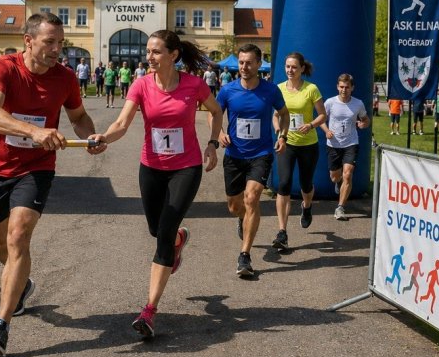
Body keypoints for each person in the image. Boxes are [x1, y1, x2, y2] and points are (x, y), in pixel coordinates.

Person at [0, 12, 105, 357]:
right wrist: (33, 130)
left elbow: (78, 117)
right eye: (50, 42)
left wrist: (90, 136)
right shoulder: (2, 68)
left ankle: (0, 326)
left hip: (36, 168)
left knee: (19, 235)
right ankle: (21, 284)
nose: (57, 49)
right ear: (28, 41)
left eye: (60, 43)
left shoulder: (65, 77)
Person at [91, 30, 222, 338]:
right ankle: (178, 240)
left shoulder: (194, 85)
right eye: (148, 51)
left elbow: (216, 111)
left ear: (173, 55)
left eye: (156, 51)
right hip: (151, 167)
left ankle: (149, 310)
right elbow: (122, 123)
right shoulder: (141, 84)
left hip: (186, 167)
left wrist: (212, 143)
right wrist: (104, 137)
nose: (149, 57)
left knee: (163, 234)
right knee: (155, 228)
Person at [215, 43, 289, 277]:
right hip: (234, 155)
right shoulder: (227, 90)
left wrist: (283, 136)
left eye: (249, 63)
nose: (244, 67)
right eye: (241, 62)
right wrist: (219, 134)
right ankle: (242, 218)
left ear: (259, 63)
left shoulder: (271, 91)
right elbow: (214, 115)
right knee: (235, 206)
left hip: (261, 154)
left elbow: (284, 114)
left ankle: (244, 255)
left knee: (252, 197)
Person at [272, 52, 326, 249]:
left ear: (302, 68)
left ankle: (307, 206)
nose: (290, 70)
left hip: (308, 144)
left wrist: (311, 125)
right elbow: (275, 115)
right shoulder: (279, 89)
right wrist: (278, 131)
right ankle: (282, 232)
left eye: (294, 67)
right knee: (284, 183)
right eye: (287, 66)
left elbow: (323, 115)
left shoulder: (311, 89)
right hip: (286, 143)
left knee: (305, 184)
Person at [321, 73, 369, 220]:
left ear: (352, 88)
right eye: (341, 87)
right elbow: (321, 120)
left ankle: (340, 207)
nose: (344, 90)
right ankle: (338, 182)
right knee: (334, 176)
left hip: (351, 143)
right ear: (337, 87)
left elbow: (366, 119)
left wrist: (363, 124)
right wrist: (327, 131)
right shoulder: (330, 102)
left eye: (347, 87)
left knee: (348, 174)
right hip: (333, 144)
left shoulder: (358, 104)